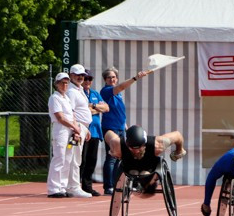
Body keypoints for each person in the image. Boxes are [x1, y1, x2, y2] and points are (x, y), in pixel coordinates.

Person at [99, 65, 150, 194]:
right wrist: (135, 78)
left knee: (121, 158)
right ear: (105, 80)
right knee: (111, 157)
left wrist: (126, 127)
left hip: (121, 128)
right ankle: (108, 186)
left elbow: (119, 113)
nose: (112, 79)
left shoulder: (118, 94)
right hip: (110, 128)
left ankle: (118, 184)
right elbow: (120, 87)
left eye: (114, 77)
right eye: (109, 77)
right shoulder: (106, 91)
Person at [104, 125, 186, 195]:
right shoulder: (118, 145)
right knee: (133, 171)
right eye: (132, 148)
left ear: (145, 144)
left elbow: (178, 135)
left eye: (139, 148)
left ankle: (148, 181)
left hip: (148, 166)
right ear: (127, 144)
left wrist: (179, 150)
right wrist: (112, 148)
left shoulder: (158, 145)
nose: (136, 151)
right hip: (129, 166)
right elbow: (108, 133)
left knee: (145, 174)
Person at [47, 72, 83, 198]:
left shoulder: (66, 98)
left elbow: (71, 115)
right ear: (57, 84)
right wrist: (74, 127)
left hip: (69, 130)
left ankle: (62, 186)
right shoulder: (54, 98)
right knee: (59, 157)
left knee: (67, 158)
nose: (65, 85)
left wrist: (75, 130)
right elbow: (60, 117)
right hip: (60, 130)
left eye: (67, 82)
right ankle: (53, 188)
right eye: (62, 82)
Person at [77, 65, 108, 196]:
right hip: (83, 130)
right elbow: (83, 110)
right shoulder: (78, 93)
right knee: (81, 160)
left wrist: (93, 106)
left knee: (91, 159)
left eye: (90, 79)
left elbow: (106, 108)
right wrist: (94, 109)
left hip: (95, 131)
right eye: (85, 78)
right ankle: (76, 185)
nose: (87, 81)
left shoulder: (95, 93)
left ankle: (87, 186)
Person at [65, 64, 94, 198]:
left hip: (82, 127)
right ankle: (73, 186)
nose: (80, 77)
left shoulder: (79, 90)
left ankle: (71, 185)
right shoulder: (71, 91)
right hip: (77, 127)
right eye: (77, 75)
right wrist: (76, 129)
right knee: (75, 158)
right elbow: (71, 111)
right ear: (71, 75)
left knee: (76, 157)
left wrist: (85, 129)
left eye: (82, 75)